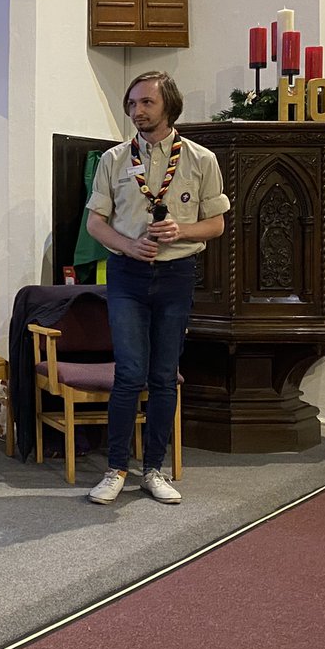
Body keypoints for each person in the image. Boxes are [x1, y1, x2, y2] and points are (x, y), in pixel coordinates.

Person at [85, 71, 229, 505]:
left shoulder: (201, 159)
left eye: (146, 103)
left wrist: (179, 231)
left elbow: (217, 224)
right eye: (131, 104)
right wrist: (128, 244)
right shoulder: (113, 159)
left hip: (176, 274)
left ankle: (153, 469)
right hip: (127, 275)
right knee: (129, 373)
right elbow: (95, 223)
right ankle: (115, 468)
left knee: (164, 375)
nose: (137, 112)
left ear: (168, 105)